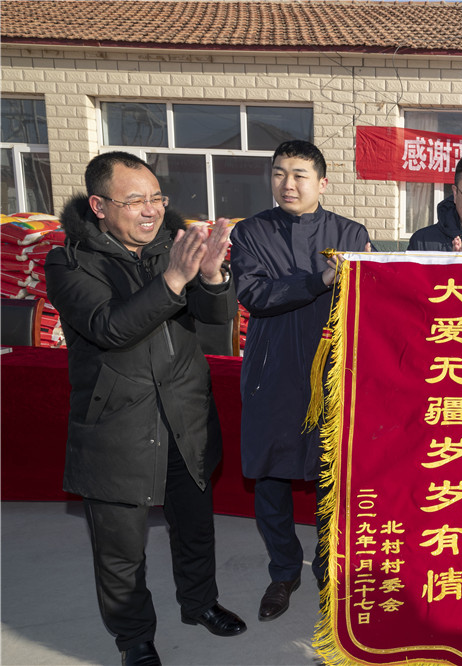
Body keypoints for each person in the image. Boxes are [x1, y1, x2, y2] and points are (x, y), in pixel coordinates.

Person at [45, 151, 246, 666]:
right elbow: (110, 328)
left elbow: (215, 320)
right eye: (135, 200)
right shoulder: (69, 261)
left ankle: (200, 604)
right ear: (99, 206)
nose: (151, 210)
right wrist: (174, 279)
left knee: (195, 527)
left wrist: (212, 276)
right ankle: (134, 638)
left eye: (156, 197)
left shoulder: (171, 248)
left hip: (185, 415)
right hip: (118, 425)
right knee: (121, 552)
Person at [229, 139, 373, 622]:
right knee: (270, 475)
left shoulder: (350, 233)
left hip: (332, 373)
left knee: (333, 476)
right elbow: (256, 295)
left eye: (299, 175)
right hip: (272, 372)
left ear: (322, 183)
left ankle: (330, 570)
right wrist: (320, 281)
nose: (287, 184)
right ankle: (284, 570)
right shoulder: (251, 232)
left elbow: (370, 301)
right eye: (278, 173)